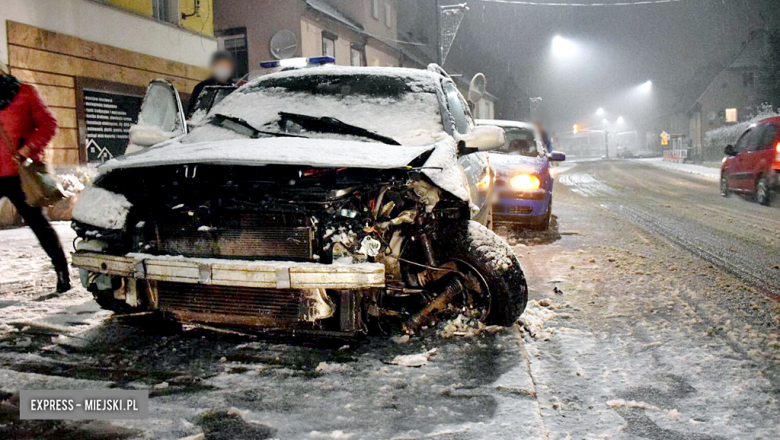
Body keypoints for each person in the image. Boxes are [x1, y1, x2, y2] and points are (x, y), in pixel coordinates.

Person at [0, 61, 70, 292]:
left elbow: (48, 124)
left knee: (39, 225)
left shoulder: (24, 93)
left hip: (21, 174)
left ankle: (62, 272)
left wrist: (28, 149)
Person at [187, 51, 236, 118]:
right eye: (221, 65)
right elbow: (192, 113)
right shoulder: (202, 87)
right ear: (214, 66)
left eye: (227, 66)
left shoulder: (235, 89)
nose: (224, 68)